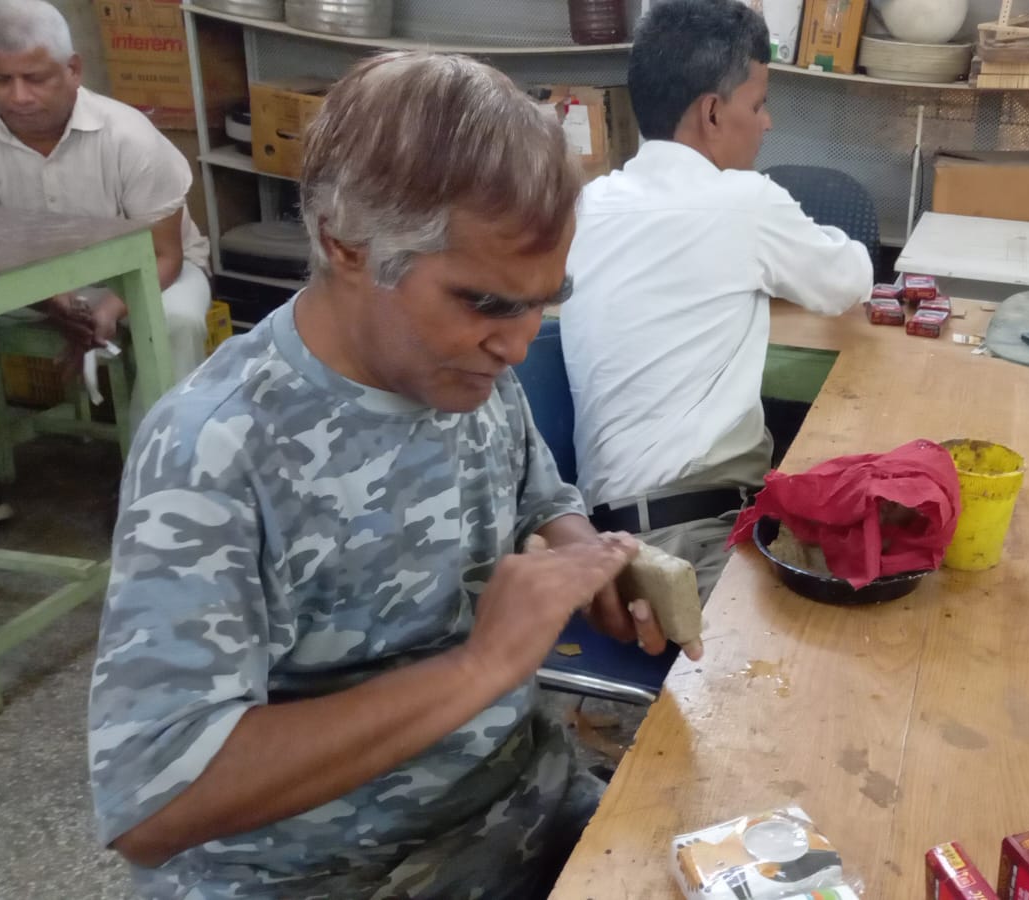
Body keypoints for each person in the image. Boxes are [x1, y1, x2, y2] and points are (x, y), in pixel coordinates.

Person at [88, 51, 689, 899]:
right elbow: (153, 802)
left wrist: (587, 557)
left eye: (541, 301)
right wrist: (480, 668)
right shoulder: (213, 450)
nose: (519, 345)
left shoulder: (469, 374)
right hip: (330, 876)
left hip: (517, 811)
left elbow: (540, 497)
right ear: (348, 244)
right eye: (484, 302)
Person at [560, 0, 872, 597]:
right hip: (697, 539)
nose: (767, 123)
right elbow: (848, 280)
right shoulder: (744, 202)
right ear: (711, 112)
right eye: (757, 104)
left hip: (602, 545)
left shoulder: (590, 203)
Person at [0, 0, 212, 529]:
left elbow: (165, 255)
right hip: (24, 281)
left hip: (143, 275)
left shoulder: (129, 137)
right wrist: (54, 303)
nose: (19, 96)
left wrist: (109, 308)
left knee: (179, 322)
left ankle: (151, 486)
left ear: (72, 69)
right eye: (0, 80)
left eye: (36, 77)